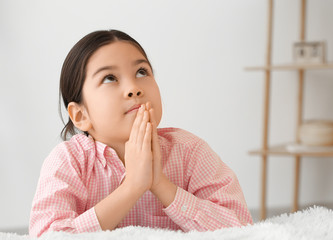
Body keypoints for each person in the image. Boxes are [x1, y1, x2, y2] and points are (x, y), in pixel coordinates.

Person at [29, 30, 253, 237]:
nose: (134, 88)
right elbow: (48, 235)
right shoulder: (68, 161)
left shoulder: (190, 151)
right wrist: (132, 187)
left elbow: (242, 229)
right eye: (110, 78)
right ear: (80, 115)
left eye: (141, 71)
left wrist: (161, 185)